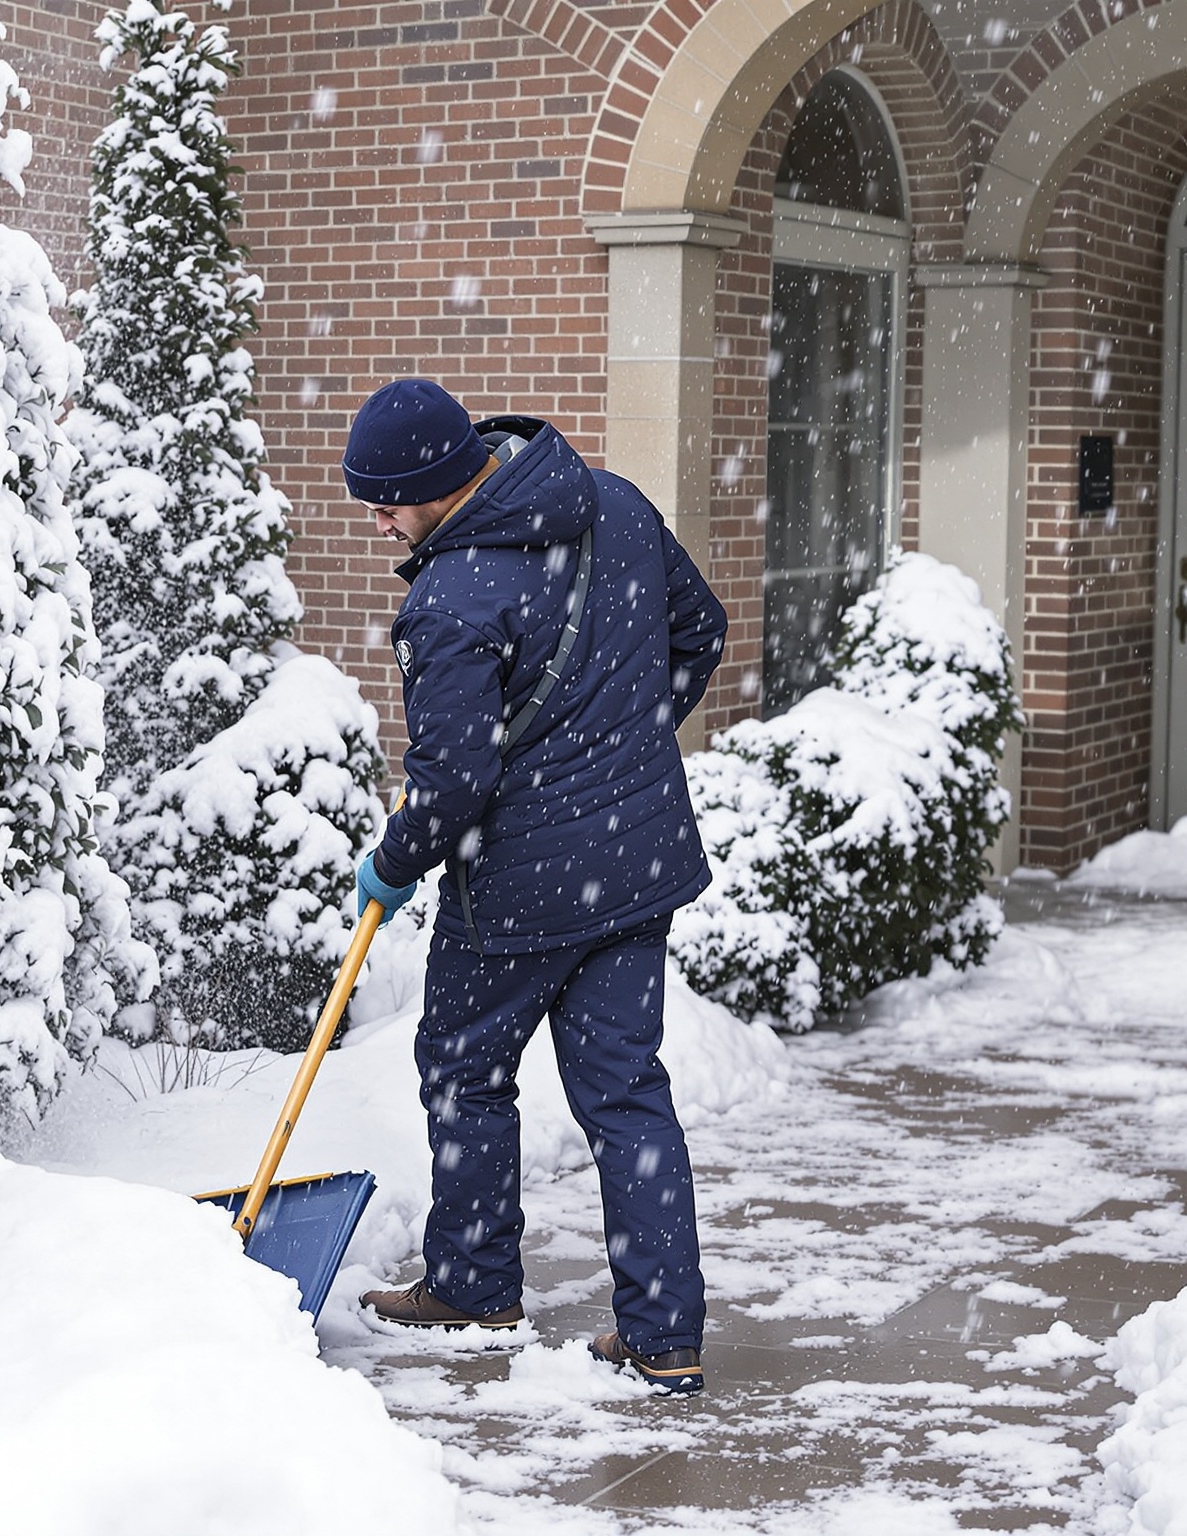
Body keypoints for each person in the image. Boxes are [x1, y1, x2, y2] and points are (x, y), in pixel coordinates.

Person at [343, 378, 727, 1394]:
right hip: (636, 865)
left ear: (439, 482)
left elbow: (454, 785)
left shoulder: (450, 601)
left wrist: (390, 862)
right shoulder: (617, 505)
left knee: (464, 1067)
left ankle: (472, 1283)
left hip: (514, 889)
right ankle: (662, 1334)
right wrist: (621, 752)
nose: (377, 522)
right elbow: (701, 633)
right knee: (626, 1093)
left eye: (385, 502)